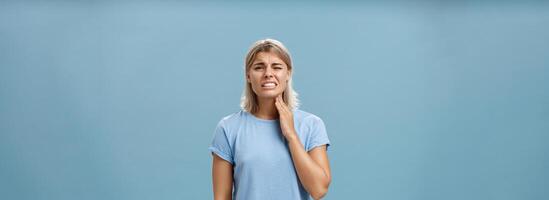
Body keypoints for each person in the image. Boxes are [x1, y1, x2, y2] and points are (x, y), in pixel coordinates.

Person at [209, 38, 331, 200]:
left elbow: (319, 190)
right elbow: (221, 198)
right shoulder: (228, 128)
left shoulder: (311, 125)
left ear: (288, 74)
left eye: (277, 67)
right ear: (248, 75)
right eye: (259, 67)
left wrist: (291, 135)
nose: (268, 74)